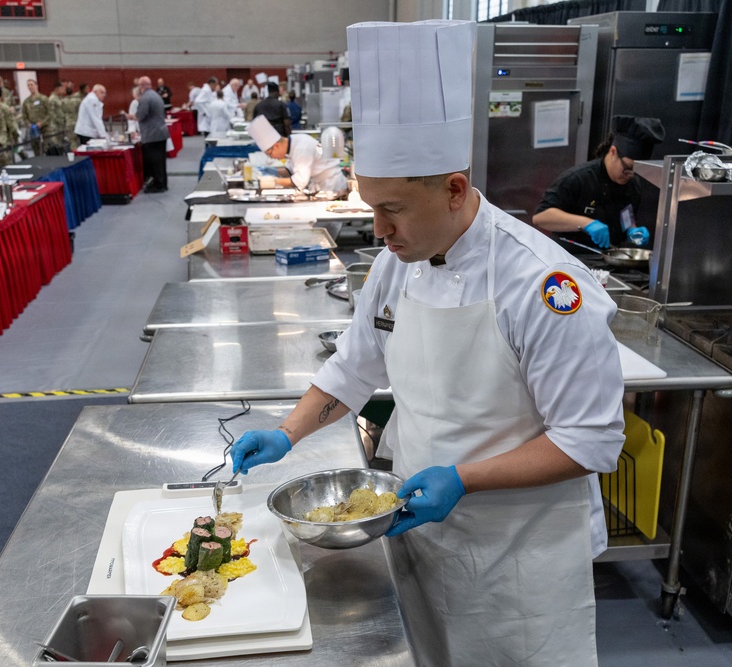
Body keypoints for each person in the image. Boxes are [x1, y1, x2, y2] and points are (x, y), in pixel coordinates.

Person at [230, 20, 623, 667]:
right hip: (418, 535)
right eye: (370, 207)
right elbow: (355, 363)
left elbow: (591, 438)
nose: (379, 229)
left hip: (517, 560)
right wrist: (288, 431)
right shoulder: (398, 260)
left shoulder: (544, 284)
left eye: (394, 209)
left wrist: (464, 479)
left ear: (454, 189)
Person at [533, 115, 665, 250]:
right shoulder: (578, 178)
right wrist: (586, 223)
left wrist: (633, 231)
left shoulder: (632, 184)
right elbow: (541, 217)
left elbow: (626, 216)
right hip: (570, 259)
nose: (630, 175)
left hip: (606, 261)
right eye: (627, 168)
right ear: (613, 152)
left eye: (636, 171)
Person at [247, 114, 346, 195]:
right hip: (321, 184)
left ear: (276, 146)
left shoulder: (302, 147)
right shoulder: (293, 143)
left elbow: (299, 181)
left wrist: (273, 181)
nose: (272, 157)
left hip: (332, 185)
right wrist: (272, 171)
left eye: (270, 154)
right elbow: (290, 170)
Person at [135, 77, 169, 193]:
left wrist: (133, 116)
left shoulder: (145, 98)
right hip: (161, 132)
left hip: (152, 135)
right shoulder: (156, 95)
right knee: (161, 162)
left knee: (154, 162)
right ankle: (163, 183)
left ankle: (158, 185)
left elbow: (141, 115)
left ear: (142, 86)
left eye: (139, 86)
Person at [21, 79, 52, 155]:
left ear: (36, 86)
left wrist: (42, 123)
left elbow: (50, 113)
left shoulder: (43, 98)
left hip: (45, 128)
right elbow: (24, 116)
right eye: (28, 85)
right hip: (33, 128)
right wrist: (28, 124)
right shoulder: (26, 101)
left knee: (47, 147)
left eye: (31, 85)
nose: (30, 87)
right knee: (36, 148)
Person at [0, 86, 18, 167]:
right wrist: (16, 138)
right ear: (1, 95)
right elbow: (12, 125)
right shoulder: (5, 108)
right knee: (8, 166)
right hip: (6, 140)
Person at [48, 82, 68, 149]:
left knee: (62, 143)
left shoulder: (61, 98)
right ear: (57, 89)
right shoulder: (52, 99)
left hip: (62, 125)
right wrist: (58, 122)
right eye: (61, 89)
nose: (63, 90)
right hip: (56, 126)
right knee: (57, 144)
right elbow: (51, 113)